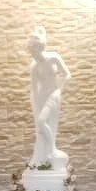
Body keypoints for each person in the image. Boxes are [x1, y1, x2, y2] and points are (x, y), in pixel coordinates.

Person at [27, 27, 70, 171]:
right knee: (40, 124)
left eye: (34, 51)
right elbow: (34, 89)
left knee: (42, 121)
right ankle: (48, 152)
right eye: (31, 52)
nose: (32, 55)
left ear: (40, 48)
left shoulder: (54, 57)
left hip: (54, 94)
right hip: (43, 97)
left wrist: (59, 89)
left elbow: (67, 74)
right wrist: (37, 106)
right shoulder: (34, 67)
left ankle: (52, 149)